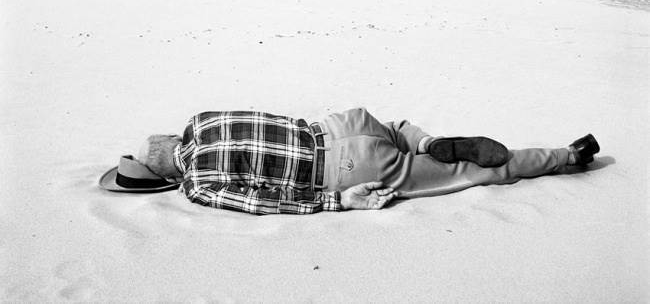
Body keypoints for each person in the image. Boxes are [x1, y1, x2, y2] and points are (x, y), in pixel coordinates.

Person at [100, 107, 600, 214]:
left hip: (347, 168)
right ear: (172, 137)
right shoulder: (204, 119)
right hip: (341, 125)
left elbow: (264, 204)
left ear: (166, 174)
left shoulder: (196, 185)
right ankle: (425, 140)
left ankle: (569, 155)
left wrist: (340, 202)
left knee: (474, 170)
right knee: (399, 128)